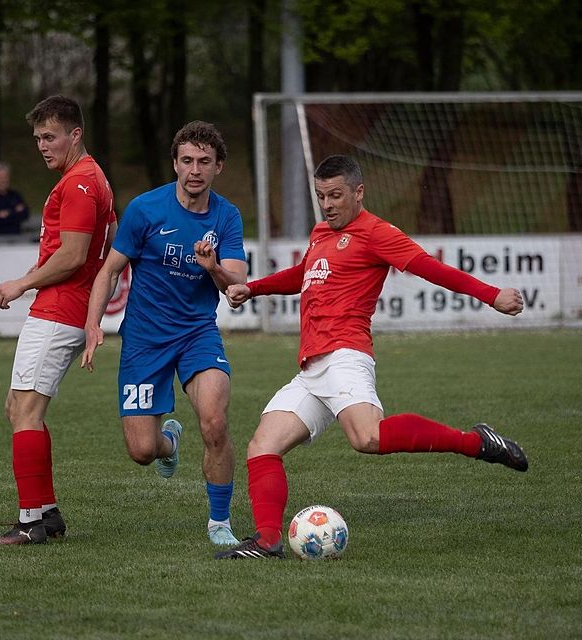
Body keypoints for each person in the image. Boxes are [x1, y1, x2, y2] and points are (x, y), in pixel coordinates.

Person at [215, 155, 528, 560]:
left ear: (358, 192)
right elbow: (304, 273)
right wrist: (253, 289)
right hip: (312, 368)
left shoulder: (377, 233)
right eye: (321, 196)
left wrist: (492, 295)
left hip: (346, 354)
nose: (327, 204)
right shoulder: (321, 232)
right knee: (262, 445)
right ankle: (267, 540)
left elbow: (430, 269)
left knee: (368, 437)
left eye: (336, 195)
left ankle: (476, 443)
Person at [82, 121, 247, 546]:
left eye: (204, 162)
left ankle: (220, 523)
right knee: (141, 451)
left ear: (218, 167)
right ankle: (169, 444)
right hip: (144, 339)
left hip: (197, 334)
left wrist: (212, 267)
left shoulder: (226, 217)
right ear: (175, 163)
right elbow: (109, 271)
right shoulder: (145, 209)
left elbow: (237, 286)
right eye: (187, 160)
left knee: (214, 422)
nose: (195, 170)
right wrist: (93, 323)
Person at [0, 95, 117, 545]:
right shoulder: (91, 177)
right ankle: (46, 513)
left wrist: (22, 283)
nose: (42, 145)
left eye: (50, 136)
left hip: (59, 308)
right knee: (19, 407)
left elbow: (75, 254)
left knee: (25, 411)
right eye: (38, 138)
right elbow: (111, 241)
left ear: (74, 135)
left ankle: (31, 523)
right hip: (67, 308)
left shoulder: (79, 182)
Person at [0, 161, 30, 243]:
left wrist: (7, 213)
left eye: (5, 177)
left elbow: (25, 214)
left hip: (16, 236)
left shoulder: (15, 195)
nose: (3, 180)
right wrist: (15, 212)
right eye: (0, 177)